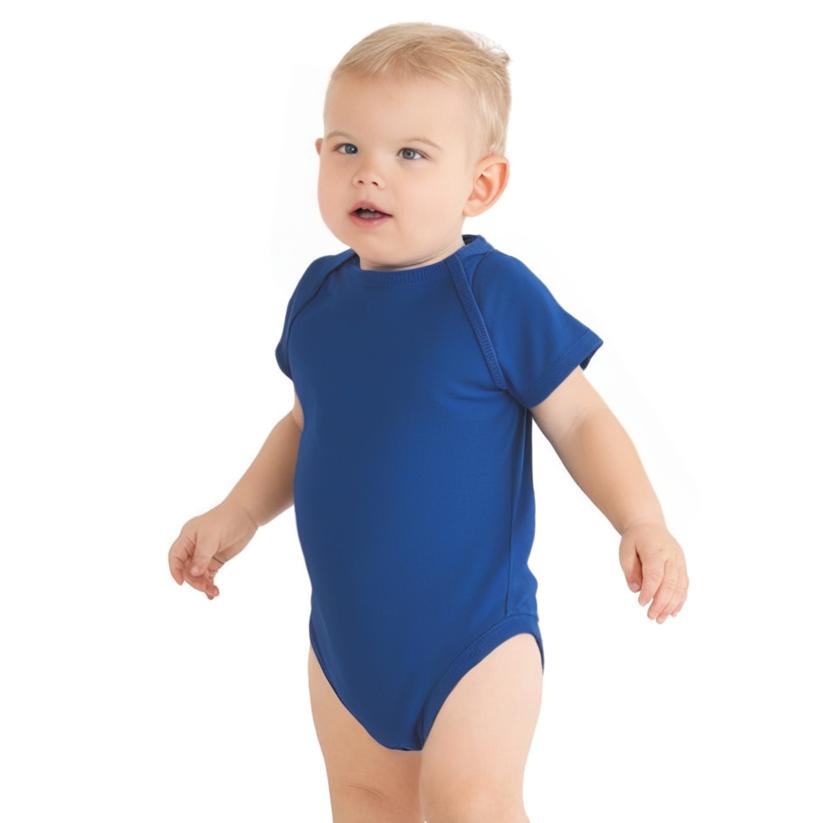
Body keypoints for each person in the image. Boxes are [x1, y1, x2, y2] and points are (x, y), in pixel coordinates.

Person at [168, 21, 689, 823]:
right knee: (365, 803)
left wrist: (640, 518)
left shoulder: (493, 294)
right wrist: (238, 510)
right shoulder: (317, 298)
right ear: (318, 155)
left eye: (409, 153)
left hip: (475, 639)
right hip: (347, 641)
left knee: (472, 806)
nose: (369, 171)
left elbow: (580, 418)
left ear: (479, 186)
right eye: (347, 147)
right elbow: (304, 425)